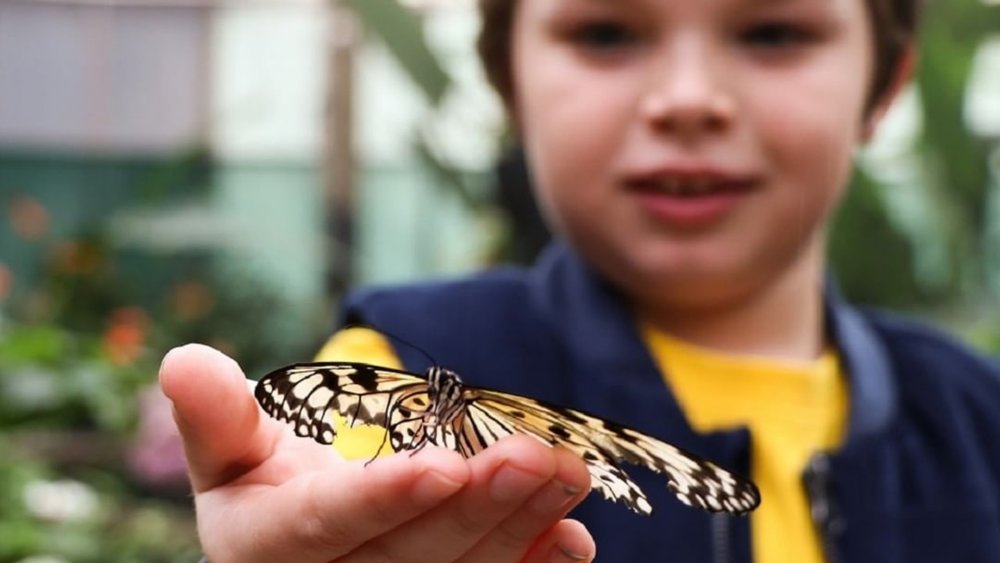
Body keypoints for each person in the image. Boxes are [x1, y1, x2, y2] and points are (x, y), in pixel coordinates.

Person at [159, 0, 1000, 561]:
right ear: (510, 83)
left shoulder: (978, 413)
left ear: (882, 87)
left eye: (774, 32)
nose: (688, 100)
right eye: (604, 33)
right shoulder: (391, 356)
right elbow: (315, 492)